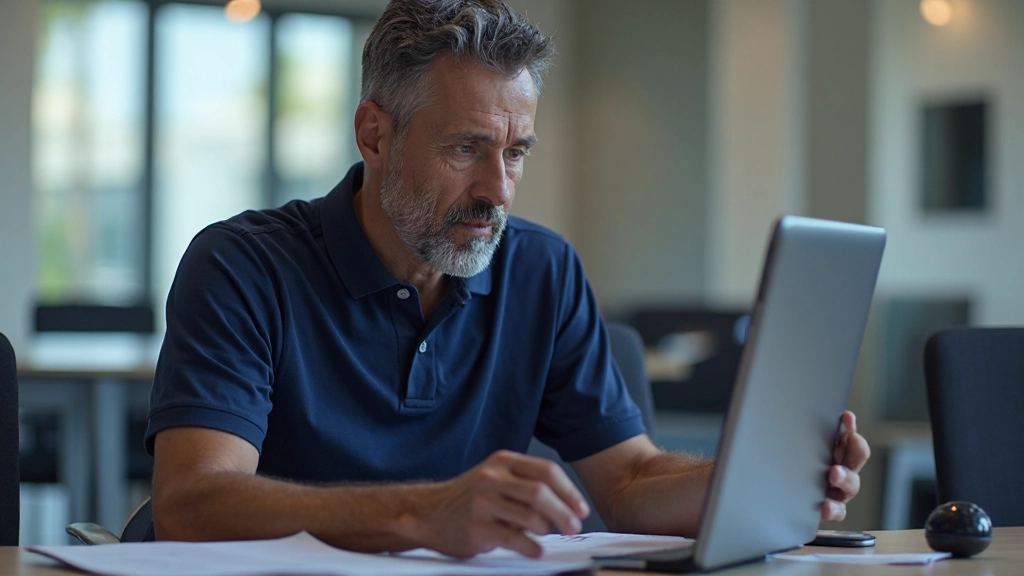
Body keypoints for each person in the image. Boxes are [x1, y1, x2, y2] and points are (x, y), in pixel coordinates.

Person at [147, 0, 869, 559]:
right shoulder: (242, 265)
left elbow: (628, 484)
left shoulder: (541, 270)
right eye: (467, 148)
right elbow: (193, 502)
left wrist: (761, 478)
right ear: (374, 135)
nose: (498, 189)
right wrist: (425, 513)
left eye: (516, 152)